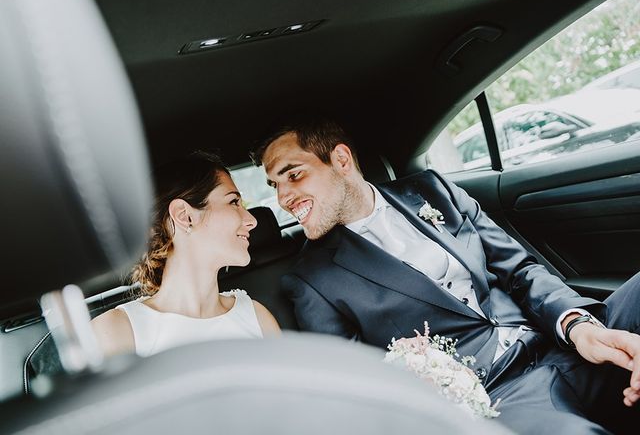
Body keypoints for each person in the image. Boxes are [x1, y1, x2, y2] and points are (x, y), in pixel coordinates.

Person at [252, 119, 640, 434]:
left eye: (294, 175)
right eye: (275, 185)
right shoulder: (311, 279)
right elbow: (359, 390)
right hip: (499, 396)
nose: (284, 197)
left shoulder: (432, 190)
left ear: (340, 159)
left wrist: (579, 327)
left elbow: (520, 271)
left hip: (559, 341)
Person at [92, 151, 281, 358]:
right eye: (234, 202)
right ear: (185, 216)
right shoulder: (116, 333)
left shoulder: (257, 317)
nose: (252, 221)